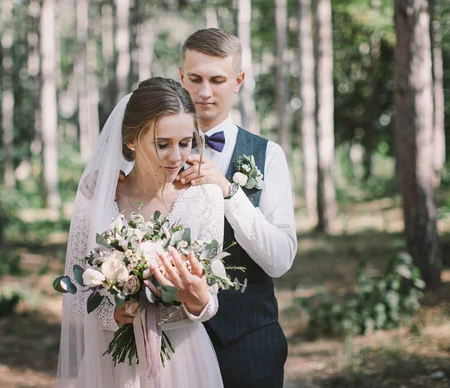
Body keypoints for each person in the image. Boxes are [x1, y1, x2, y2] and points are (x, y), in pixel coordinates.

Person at [57, 77, 225, 388]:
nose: (176, 157)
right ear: (132, 140)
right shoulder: (97, 197)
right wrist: (115, 314)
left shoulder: (205, 198)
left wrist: (199, 300)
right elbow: (74, 302)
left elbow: (210, 301)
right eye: (162, 144)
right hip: (111, 365)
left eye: (185, 142)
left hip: (183, 362)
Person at [176, 28, 298, 387]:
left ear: (238, 81)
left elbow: (280, 260)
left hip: (250, 343)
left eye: (217, 80)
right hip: (174, 345)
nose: (204, 92)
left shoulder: (268, 156)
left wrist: (230, 194)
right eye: (195, 79)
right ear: (180, 78)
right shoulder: (154, 153)